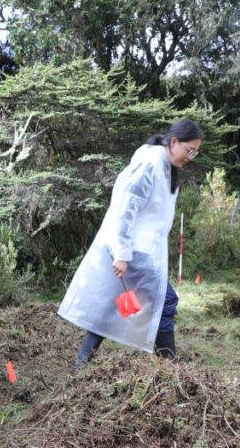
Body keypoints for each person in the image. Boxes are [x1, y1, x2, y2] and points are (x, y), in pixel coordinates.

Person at [58, 118, 204, 371]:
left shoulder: (166, 166)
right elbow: (125, 209)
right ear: (173, 141)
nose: (190, 156)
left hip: (141, 250)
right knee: (165, 302)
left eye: (195, 152)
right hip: (133, 251)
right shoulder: (150, 164)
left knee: (111, 304)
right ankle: (171, 367)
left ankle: (79, 365)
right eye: (189, 150)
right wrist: (122, 253)